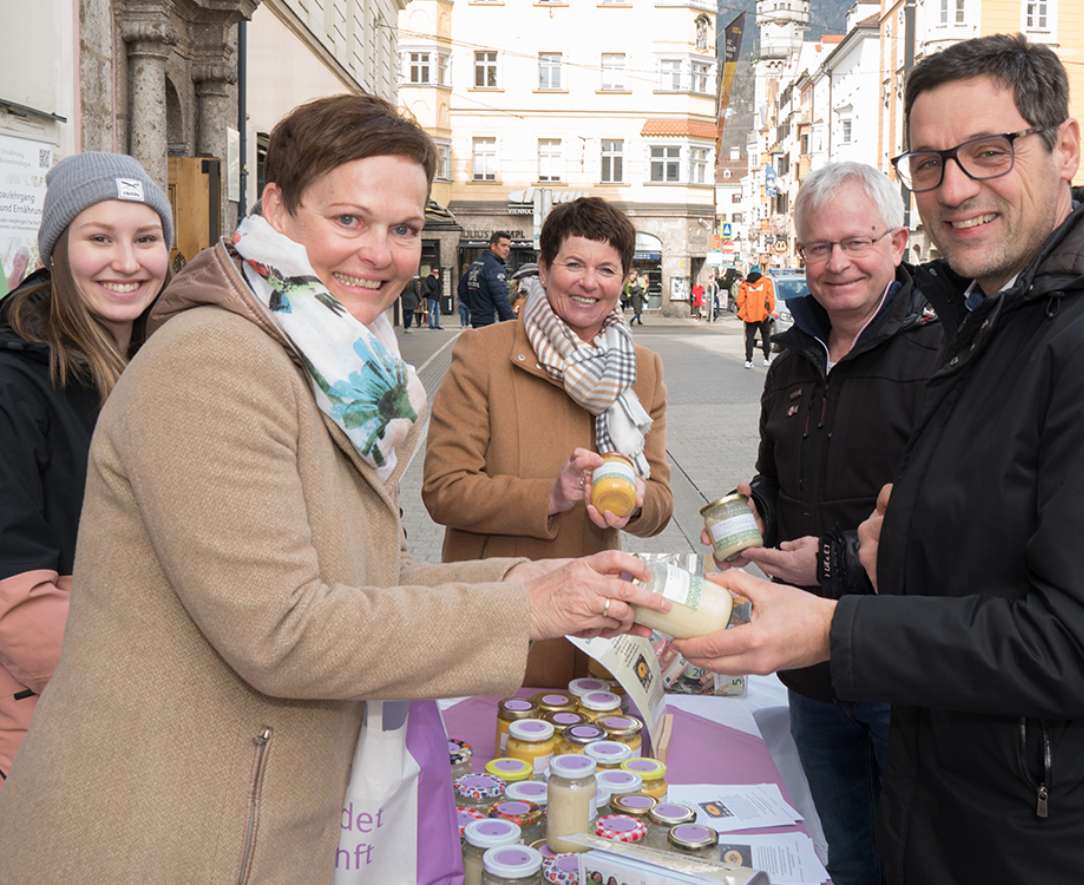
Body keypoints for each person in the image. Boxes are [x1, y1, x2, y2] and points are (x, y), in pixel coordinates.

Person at [0, 95, 671, 882]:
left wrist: (532, 575)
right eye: (349, 220)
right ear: (278, 210)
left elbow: (371, 577)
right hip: (159, 831)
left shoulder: (344, 371)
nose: (381, 254)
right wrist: (526, 607)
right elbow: (284, 630)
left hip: (254, 814)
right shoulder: (216, 359)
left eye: (405, 229)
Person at [678, 34, 1084, 884]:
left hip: (1057, 830)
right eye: (930, 161)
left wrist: (837, 616)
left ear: (1064, 147)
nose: (956, 188)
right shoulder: (995, 311)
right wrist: (890, 542)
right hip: (967, 777)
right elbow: (996, 533)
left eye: (989, 152)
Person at [709, 162, 941, 885]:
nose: (837, 262)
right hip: (809, 673)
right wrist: (754, 517)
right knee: (845, 854)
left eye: (856, 241)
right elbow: (774, 476)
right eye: (818, 247)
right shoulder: (793, 360)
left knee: (917, 857)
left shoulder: (941, 355)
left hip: (900, 667)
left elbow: (943, 516)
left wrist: (833, 563)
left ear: (898, 242)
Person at [423, 197, 674, 686]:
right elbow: (443, 490)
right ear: (542, 268)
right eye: (573, 264)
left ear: (623, 280)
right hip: (507, 611)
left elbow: (661, 499)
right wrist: (551, 495)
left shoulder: (640, 368)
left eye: (607, 269)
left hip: (597, 618)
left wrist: (637, 500)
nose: (589, 282)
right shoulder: (484, 354)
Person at [0, 152, 172, 787]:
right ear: (55, 252)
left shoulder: (165, 364)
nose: (127, 263)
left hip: (137, 717)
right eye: (99, 238)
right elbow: (15, 607)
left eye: (146, 239)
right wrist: (170, 677)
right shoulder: (15, 384)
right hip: (47, 730)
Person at [459, 230, 514, 327]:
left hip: (476, 319)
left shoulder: (476, 263)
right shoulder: (495, 267)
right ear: (493, 246)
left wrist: (476, 308)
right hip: (487, 322)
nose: (507, 249)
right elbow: (502, 300)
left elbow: (462, 289)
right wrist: (512, 323)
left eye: (509, 246)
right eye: (503, 245)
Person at [736, 267, 774, 368]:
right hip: (763, 315)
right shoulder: (766, 282)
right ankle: (766, 359)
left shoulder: (744, 284)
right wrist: (769, 311)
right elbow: (770, 300)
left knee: (749, 338)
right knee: (766, 337)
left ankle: (748, 361)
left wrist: (744, 310)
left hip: (749, 315)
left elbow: (739, 301)